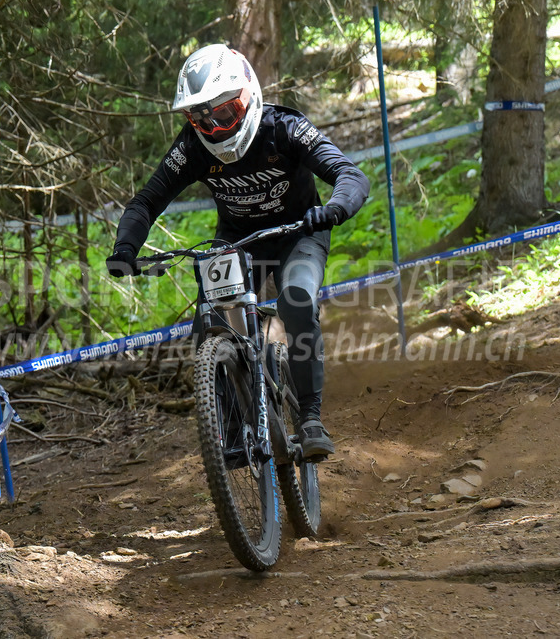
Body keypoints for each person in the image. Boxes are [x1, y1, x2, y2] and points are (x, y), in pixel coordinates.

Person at [106, 44, 369, 459]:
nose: (215, 129)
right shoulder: (192, 146)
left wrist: (334, 208)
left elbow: (348, 173)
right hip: (238, 239)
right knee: (208, 318)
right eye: (200, 119)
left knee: (297, 299)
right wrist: (126, 247)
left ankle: (311, 418)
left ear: (248, 96)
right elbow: (146, 202)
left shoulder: (283, 128)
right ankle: (228, 424)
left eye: (225, 115)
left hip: (298, 232)